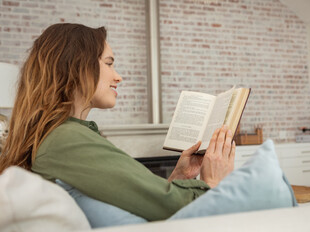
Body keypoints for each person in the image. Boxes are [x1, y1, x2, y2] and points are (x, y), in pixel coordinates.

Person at [0, 23, 236, 221]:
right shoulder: (65, 139)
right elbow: (173, 207)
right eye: (109, 63)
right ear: (77, 67)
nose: (118, 76)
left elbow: (145, 202)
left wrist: (179, 176)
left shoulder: (64, 136)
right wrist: (213, 182)